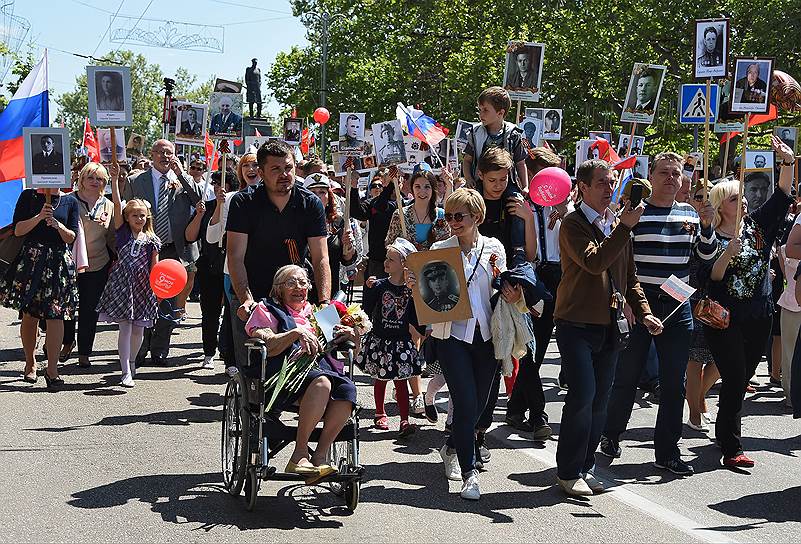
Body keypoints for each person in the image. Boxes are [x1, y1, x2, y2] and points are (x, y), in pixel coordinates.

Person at [602, 152, 717, 477]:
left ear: (684, 179)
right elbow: (618, 260)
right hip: (640, 303)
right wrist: (623, 299)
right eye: (664, 172)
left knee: (673, 384)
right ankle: (611, 435)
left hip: (677, 305)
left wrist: (707, 226)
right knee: (626, 377)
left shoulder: (691, 215)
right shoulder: (634, 214)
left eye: (676, 173)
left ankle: (667, 451)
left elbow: (705, 256)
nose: (670, 178)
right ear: (650, 177)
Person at [553, 159, 663, 497]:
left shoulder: (616, 224)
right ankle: (568, 471)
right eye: (601, 182)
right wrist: (625, 228)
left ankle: (586, 468)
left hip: (610, 326)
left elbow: (629, 277)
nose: (607, 188)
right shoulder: (573, 224)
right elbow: (594, 261)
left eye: (611, 181)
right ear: (582, 188)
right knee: (582, 395)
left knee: (601, 399)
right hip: (574, 323)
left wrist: (644, 312)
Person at [419, 188, 524, 501]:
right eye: (448, 216)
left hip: (487, 335)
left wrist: (513, 291)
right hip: (452, 336)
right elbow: (431, 294)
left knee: (478, 408)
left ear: (477, 217)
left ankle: (451, 445)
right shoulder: (440, 247)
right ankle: (470, 473)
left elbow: (503, 287)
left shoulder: (494, 248)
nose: (453, 221)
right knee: (464, 403)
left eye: (459, 216)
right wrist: (417, 283)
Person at [702, 136, 794, 468]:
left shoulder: (757, 224)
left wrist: (787, 162)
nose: (741, 200)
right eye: (732, 197)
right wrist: (727, 252)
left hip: (759, 315)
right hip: (723, 318)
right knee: (736, 375)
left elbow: (783, 194)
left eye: (741, 196)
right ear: (719, 205)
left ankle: (722, 426)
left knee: (742, 378)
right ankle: (731, 446)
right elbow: (709, 276)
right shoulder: (709, 235)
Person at [245, 265, 357, 479]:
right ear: (278, 289)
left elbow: (352, 351)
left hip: (320, 370)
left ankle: (320, 456)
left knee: (347, 391)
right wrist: (296, 333)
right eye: (291, 283)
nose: (299, 287)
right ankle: (300, 454)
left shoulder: (320, 313)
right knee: (323, 383)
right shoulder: (266, 309)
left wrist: (353, 336)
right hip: (283, 376)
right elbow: (267, 343)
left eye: (303, 282)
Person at [226, 141, 330, 369]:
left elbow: (321, 257)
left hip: (295, 295)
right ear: (261, 173)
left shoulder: (310, 204)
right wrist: (246, 300)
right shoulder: (243, 203)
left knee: (308, 363)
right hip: (254, 292)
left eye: (289, 168)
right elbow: (234, 257)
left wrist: (324, 303)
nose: (284, 175)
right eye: (276, 169)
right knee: (254, 369)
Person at [123, 139, 202, 366]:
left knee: (166, 300)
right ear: (152, 154)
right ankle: (139, 349)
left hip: (171, 249)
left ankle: (160, 350)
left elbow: (198, 200)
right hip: (143, 248)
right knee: (143, 299)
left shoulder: (181, 181)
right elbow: (127, 214)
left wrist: (182, 174)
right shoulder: (136, 181)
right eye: (161, 153)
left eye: (170, 153)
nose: (165, 157)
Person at [505, 147, 566, 439]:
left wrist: (566, 213)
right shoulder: (520, 202)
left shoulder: (564, 205)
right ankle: (538, 414)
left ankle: (516, 408)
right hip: (531, 274)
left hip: (557, 275)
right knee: (528, 347)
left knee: (538, 349)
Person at [0, 186, 80, 390]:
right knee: (30, 315)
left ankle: (52, 369)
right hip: (32, 260)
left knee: (56, 316)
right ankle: (30, 362)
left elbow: (72, 237)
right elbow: (18, 230)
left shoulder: (70, 201)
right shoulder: (29, 195)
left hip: (59, 263)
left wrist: (57, 225)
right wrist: (39, 217)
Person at [96, 164, 161, 387]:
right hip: (122, 284)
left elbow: (156, 267)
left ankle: (133, 361)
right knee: (125, 326)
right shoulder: (122, 233)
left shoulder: (152, 240)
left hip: (144, 286)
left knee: (138, 329)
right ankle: (124, 370)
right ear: (127, 216)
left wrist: (159, 290)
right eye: (134, 215)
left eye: (142, 215)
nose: (139, 219)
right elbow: (116, 203)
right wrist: (115, 181)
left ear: (148, 217)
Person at [358, 238, 426, 436]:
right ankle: (380, 412)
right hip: (381, 340)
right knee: (380, 378)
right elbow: (367, 310)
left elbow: (416, 318)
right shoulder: (379, 286)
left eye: (391, 260)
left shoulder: (410, 290)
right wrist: (368, 289)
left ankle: (404, 420)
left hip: (401, 342)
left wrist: (416, 297)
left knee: (401, 380)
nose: (386, 263)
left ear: (404, 264)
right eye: (386, 259)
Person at [62, 163, 116, 367]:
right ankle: (67, 342)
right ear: (82, 179)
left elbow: (111, 237)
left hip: (98, 264)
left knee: (89, 309)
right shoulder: (68, 201)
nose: (95, 182)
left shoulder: (109, 205)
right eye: (91, 177)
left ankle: (84, 353)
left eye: (100, 179)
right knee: (67, 306)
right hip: (69, 264)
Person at [684, 181, 721, 431]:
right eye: (698, 197)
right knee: (695, 361)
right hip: (694, 299)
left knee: (719, 361)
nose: (703, 202)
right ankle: (695, 412)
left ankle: (699, 398)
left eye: (708, 197)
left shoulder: (731, 228)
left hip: (720, 302)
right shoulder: (686, 224)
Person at [303, 172, 363, 301]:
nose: (317, 196)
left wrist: (349, 246)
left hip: (330, 285)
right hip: (302, 287)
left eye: (322, 192)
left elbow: (347, 259)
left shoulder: (339, 221)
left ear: (329, 196)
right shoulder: (296, 221)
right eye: (313, 192)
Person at [462, 86, 528, 190]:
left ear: (500, 113)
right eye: (480, 110)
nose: (481, 114)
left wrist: (525, 186)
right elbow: (467, 160)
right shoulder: (475, 133)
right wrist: (469, 179)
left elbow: (520, 163)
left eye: (485, 110)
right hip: (480, 183)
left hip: (506, 185)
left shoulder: (513, 134)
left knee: (517, 202)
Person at [349, 168, 401, 279]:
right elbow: (357, 213)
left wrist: (392, 183)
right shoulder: (371, 203)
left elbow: (383, 203)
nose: (377, 188)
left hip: (398, 259)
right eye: (374, 186)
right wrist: (353, 187)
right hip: (376, 261)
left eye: (380, 185)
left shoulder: (400, 204)